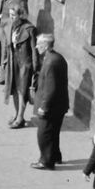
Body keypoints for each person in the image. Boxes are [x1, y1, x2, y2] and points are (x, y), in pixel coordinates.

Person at [31, 32, 69, 169]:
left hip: (52, 107)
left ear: (46, 46)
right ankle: (55, 156)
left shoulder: (51, 62)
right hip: (59, 105)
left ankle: (46, 161)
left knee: (44, 133)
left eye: (39, 44)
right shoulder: (55, 57)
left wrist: (44, 107)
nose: (36, 47)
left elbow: (51, 89)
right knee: (53, 132)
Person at [3, 5, 36, 126]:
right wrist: (5, 61)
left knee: (22, 91)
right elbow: (8, 45)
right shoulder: (11, 26)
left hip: (25, 64)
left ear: (20, 15)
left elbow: (34, 50)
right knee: (15, 90)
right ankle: (17, 114)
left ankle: (21, 118)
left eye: (14, 15)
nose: (11, 17)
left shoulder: (29, 29)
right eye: (10, 15)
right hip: (13, 62)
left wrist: (35, 69)